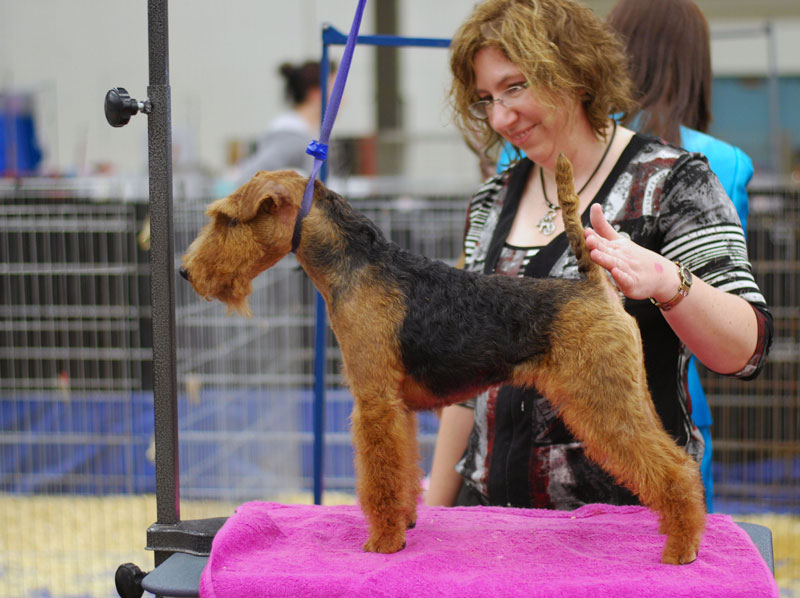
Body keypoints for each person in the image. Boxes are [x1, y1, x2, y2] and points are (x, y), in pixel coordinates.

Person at [425, 0, 772, 510]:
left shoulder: (671, 182)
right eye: (486, 98)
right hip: (492, 521)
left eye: (515, 86)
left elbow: (744, 349)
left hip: (617, 524)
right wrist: (434, 512)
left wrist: (667, 281)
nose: (500, 116)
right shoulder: (493, 198)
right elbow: (470, 382)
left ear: (574, 71)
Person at [229, 60, 336, 187]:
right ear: (316, 93)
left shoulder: (304, 135)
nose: (344, 99)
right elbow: (247, 179)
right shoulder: (291, 136)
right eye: (337, 90)